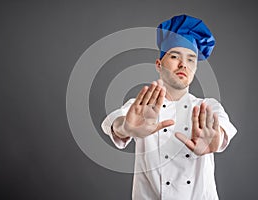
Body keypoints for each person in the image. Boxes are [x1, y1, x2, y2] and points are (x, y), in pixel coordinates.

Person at [101, 14, 237, 200]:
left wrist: (216, 138)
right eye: (175, 56)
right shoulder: (141, 106)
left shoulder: (207, 107)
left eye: (191, 59)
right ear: (159, 64)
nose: (183, 64)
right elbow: (115, 124)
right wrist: (125, 127)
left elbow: (220, 130)